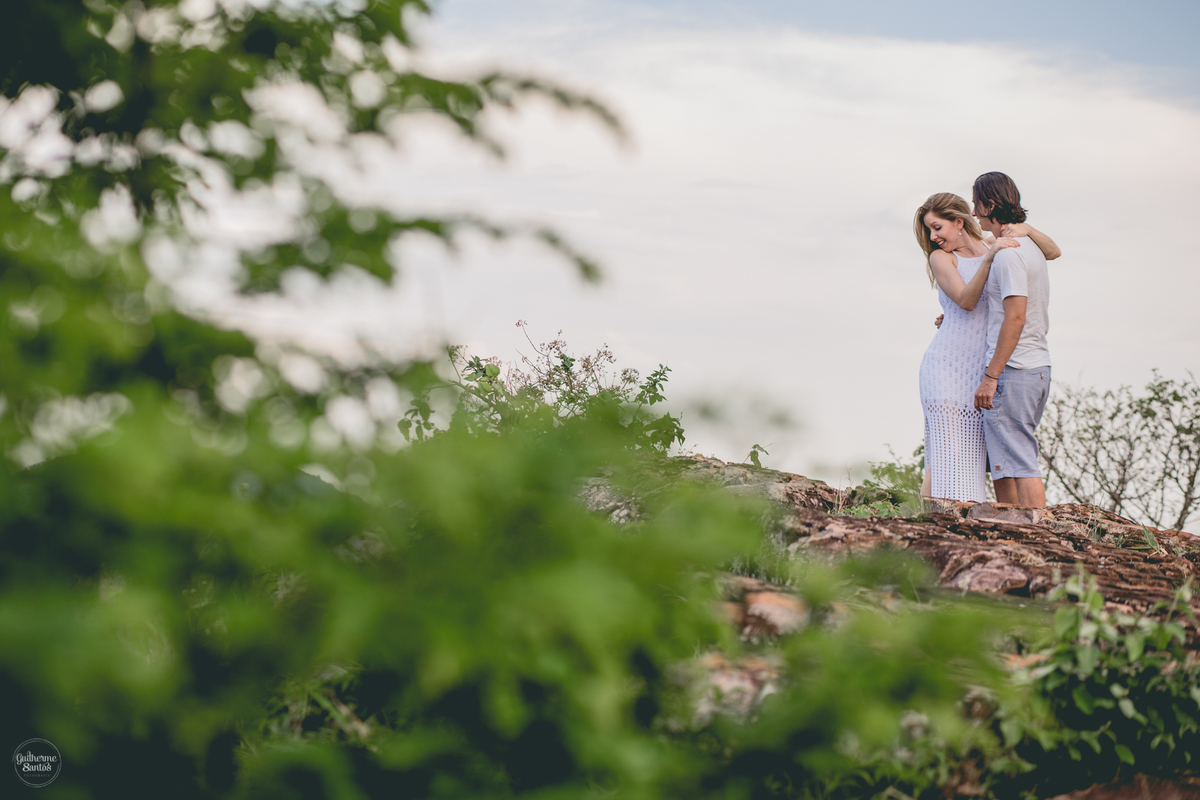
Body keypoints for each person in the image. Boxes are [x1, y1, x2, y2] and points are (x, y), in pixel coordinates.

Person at [914, 193, 1061, 502]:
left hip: (983, 367)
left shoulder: (992, 242)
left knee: (987, 455)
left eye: (937, 227)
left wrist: (1029, 230)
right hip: (947, 367)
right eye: (929, 230)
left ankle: (977, 525)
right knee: (946, 455)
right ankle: (932, 527)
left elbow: (1053, 251)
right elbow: (967, 302)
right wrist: (990, 258)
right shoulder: (942, 258)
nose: (933, 237)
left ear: (958, 222)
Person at [971, 172, 1053, 507]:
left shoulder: (1010, 254)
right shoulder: (1028, 246)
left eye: (976, 203)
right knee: (1004, 463)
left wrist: (991, 376)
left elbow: (1015, 317)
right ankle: (1012, 530)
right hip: (1034, 368)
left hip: (1015, 370)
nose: (974, 212)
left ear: (989, 204)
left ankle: (1040, 539)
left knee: (1019, 459)